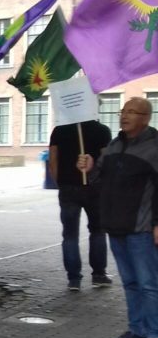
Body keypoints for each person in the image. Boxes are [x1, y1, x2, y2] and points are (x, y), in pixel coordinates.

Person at [77, 97, 158, 338]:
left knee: (149, 283)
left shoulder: (154, 147)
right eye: (123, 111)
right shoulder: (113, 145)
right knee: (131, 282)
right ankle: (137, 330)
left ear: (145, 118)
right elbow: (99, 178)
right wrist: (89, 168)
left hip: (141, 227)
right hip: (115, 225)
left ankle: (155, 333)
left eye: (131, 112)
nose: (124, 116)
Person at [49, 120, 112, 290]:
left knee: (70, 235)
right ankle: (99, 275)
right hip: (95, 188)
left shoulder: (59, 130)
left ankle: (74, 279)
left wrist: (60, 182)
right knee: (98, 231)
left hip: (68, 188)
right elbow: (107, 161)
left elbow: (53, 159)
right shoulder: (102, 130)